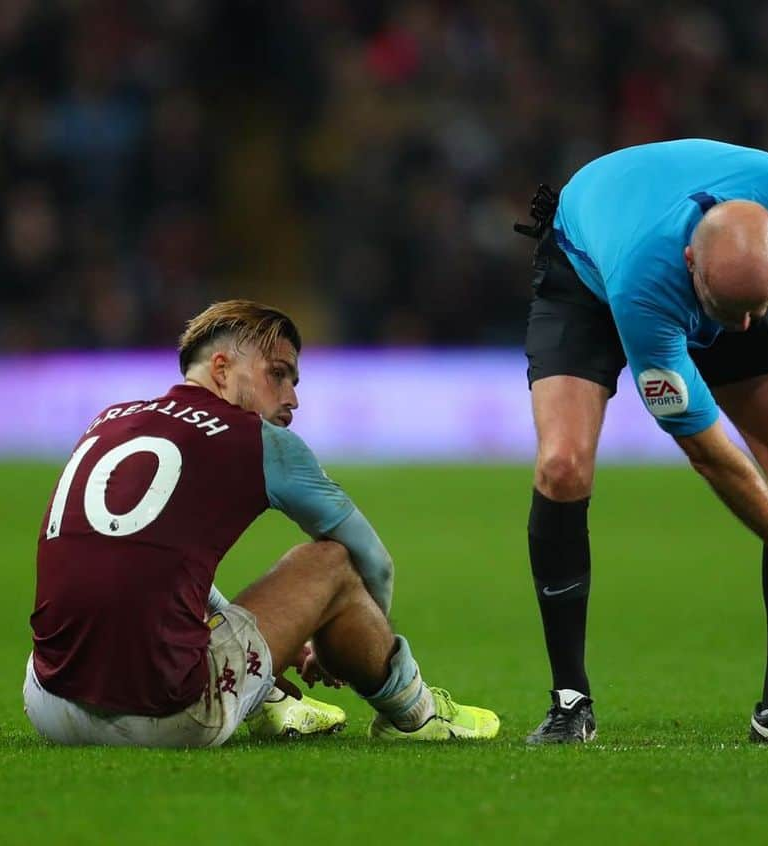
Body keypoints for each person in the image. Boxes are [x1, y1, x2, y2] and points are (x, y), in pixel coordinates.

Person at [516, 139, 768, 747]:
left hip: (689, 259)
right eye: (727, 312)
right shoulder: (647, 286)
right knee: (562, 466)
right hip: (586, 271)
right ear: (693, 260)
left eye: (759, 310)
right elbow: (712, 457)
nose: (742, 329)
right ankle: (570, 702)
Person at [24, 299, 499, 747]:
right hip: (167, 717)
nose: (292, 396)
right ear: (222, 368)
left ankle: (266, 699)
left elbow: (133, 563)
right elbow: (374, 563)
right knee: (331, 561)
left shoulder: (108, 420)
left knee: (158, 569)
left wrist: (284, 628)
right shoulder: (258, 440)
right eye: (278, 374)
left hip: (49, 699)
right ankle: (415, 712)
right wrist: (338, 639)